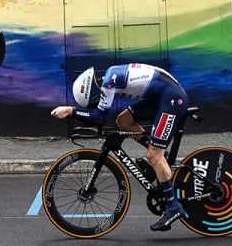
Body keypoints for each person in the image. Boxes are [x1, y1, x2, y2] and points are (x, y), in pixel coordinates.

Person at [50, 63, 190, 232]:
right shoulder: (109, 76)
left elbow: (99, 118)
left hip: (173, 99)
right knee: (122, 121)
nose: (95, 104)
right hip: (162, 95)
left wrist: (71, 111)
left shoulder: (109, 84)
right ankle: (161, 155)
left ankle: (173, 207)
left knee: (153, 156)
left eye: (92, 103)